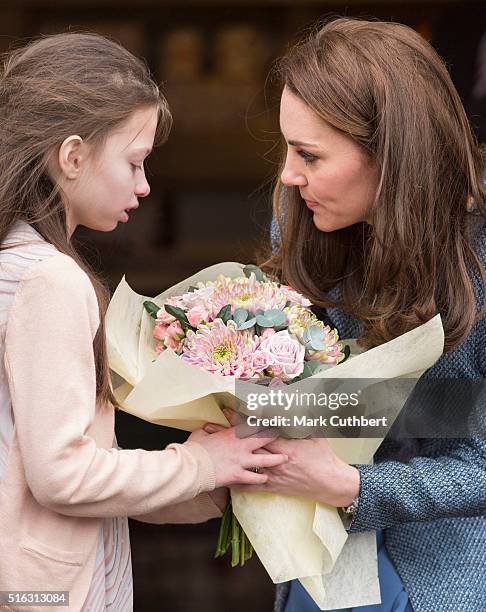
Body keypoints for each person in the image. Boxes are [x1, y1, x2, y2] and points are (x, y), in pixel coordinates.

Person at [0, 33, 288, 611]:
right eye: (134, 161)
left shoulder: (14, 261)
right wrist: (200, 463)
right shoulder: (48, 280)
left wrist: (211, 483)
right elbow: (63, 477)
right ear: (73, 155)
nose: (145, 184)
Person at [209, 16, 486, 612]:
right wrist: (249, 408)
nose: (287, 173)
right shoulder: (304, 223)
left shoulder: (477, 254)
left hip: (443, 573)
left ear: (391, 155)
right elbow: (321, 399)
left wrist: (355, 486)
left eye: (309, 154)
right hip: (320, 564)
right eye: (287, 146)